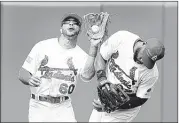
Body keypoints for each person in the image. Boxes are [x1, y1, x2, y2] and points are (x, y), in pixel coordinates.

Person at [18, 13, 98, 122]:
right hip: (39, 105)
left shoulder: (81, 55)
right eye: (67, 22)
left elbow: (88, 76)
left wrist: (93, 47)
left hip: (63, 106)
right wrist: (29, 79)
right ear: (61, 29)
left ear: (79, 31)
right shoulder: (42, 46)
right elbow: (22, 73)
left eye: (75, 23)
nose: (71, 24)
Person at [85, 30, 165, 122]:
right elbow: (101, 56)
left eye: (148, 60)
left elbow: (141, 98)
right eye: (144, 56)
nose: (143, 61)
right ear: (144, 44)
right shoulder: (122, 38)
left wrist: (114, 104)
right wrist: (102, 78)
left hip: (125, 107)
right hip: (107, 93)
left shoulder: (151, 74)